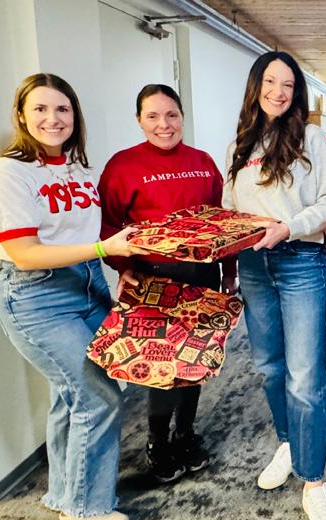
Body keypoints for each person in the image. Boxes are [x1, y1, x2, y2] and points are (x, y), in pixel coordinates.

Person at [0, 73, 142, 520]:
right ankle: (86, 510)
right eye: (41, 109)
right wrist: (105, 249)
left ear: (74, 115)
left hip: (87, 285)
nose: (53, 118)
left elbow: (83, 234)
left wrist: (115, 265)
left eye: (62, 109)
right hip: (36, 295)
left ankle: (64, 493)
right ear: (21, 115)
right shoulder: (5, 174)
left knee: (69, 396)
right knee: (98, 396)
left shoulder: (76, 168)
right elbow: (25, 253)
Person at [222, 51, 326, 520]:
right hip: (253, 265)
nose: (278, 91)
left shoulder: (312, 138)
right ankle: (289, 442)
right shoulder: (239, 144)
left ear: (297, 93)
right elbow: (229, 209)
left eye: (288, 85)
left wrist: (288, 227)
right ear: (256, 87)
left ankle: (314, 484)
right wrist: (229, 258)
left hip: (299, 261)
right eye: (270, 82)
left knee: (305, 377)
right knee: (269, 366)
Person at [99, 84, 224, 483]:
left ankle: (185, 433)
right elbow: (108, 225)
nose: (163, 124)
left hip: (203, 275)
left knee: (194, 361)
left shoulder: (203, 162)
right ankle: (157, 441)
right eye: (152, 116)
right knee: (161, 365)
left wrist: (231, 272)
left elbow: (221, 223)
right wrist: (123, 267)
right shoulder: (122, 166)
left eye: (171, 115)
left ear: (182, 117)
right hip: (153, 278)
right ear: (139, 120)